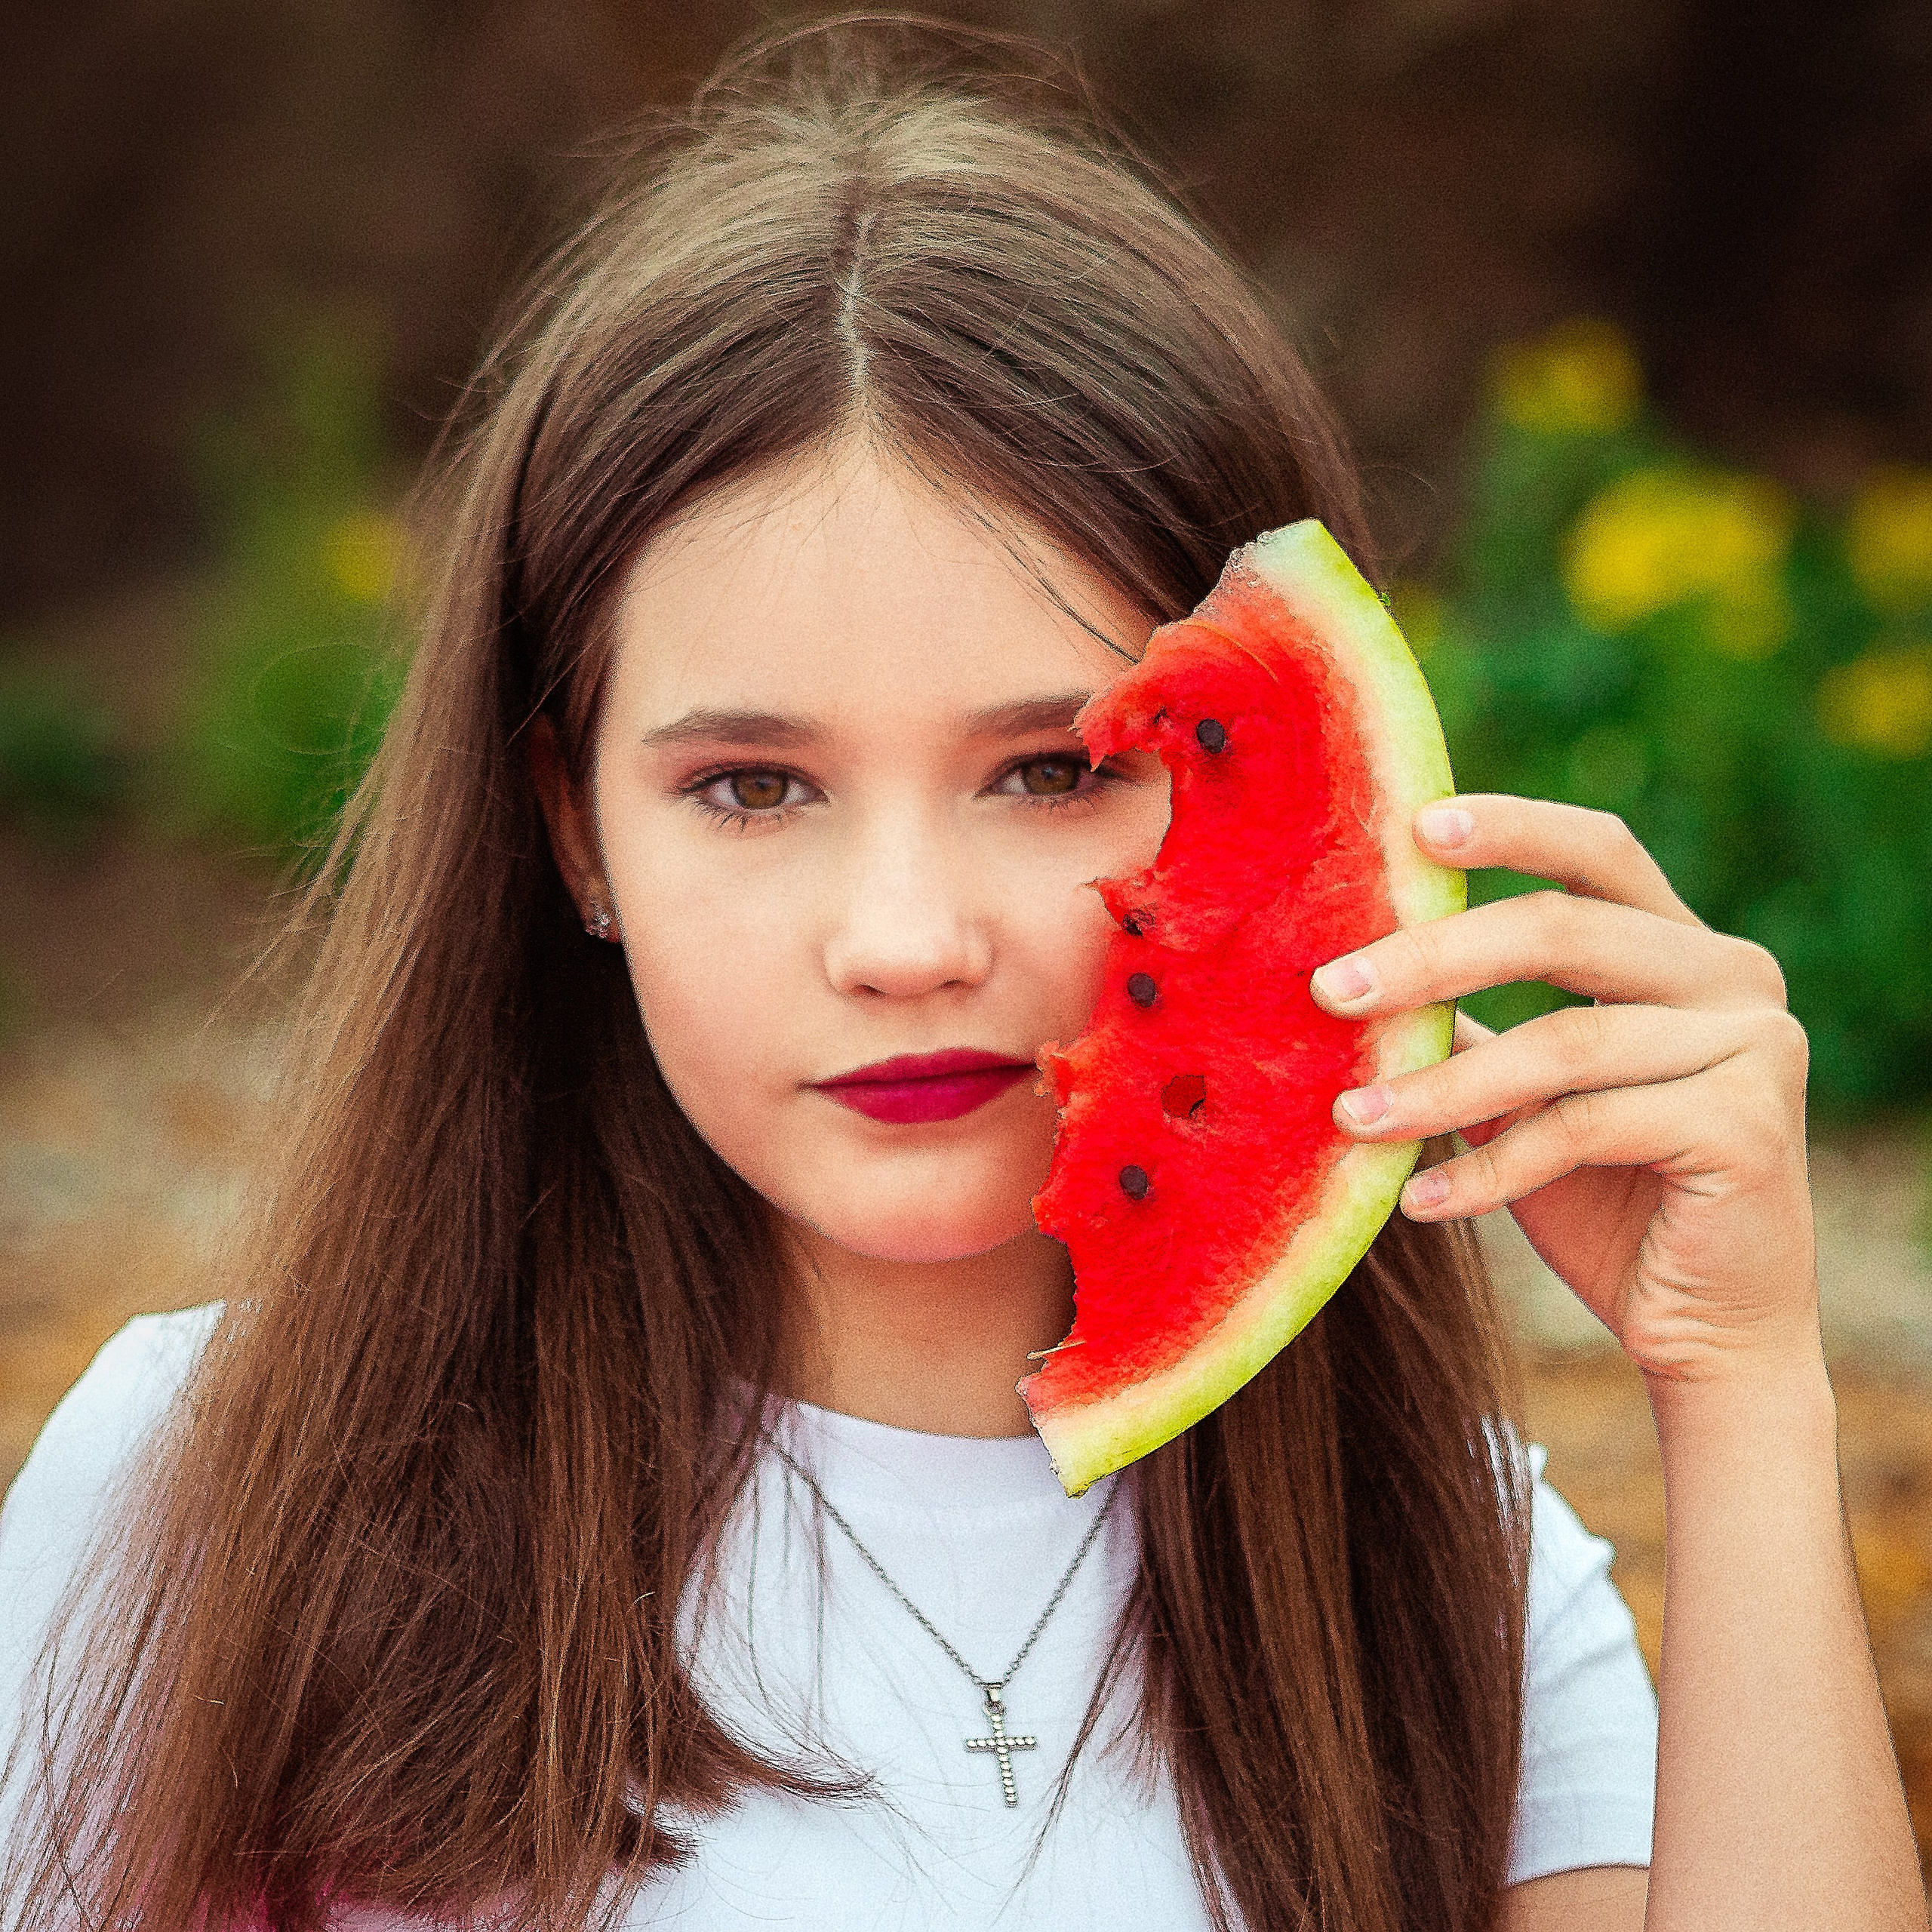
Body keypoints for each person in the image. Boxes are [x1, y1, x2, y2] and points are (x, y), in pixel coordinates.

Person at [0, 17, 1921, 1932]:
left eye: (1056, 770)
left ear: (1256, 810)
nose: (907, 939)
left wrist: (1739, 1385)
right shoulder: (213, 1485)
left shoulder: (1461, 1583)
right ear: (573, 833)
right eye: (751, 786)